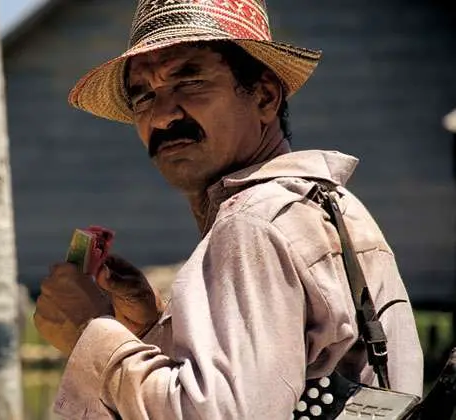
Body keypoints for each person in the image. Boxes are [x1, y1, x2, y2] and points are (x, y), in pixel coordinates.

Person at [33, 0, 424, 418]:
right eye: (143, 95)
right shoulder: (329, 203)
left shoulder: (252, 222)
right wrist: (150, 326)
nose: (163, 116)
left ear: (265, 96)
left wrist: (90, 332)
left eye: (190, 81)